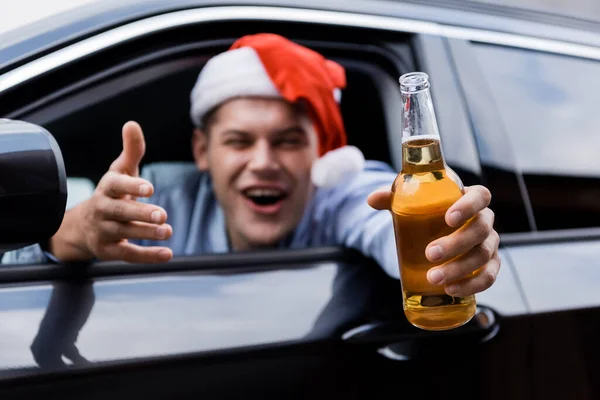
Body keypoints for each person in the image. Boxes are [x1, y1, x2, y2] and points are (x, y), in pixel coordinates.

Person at [4, 33, 500, 298]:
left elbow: (385, 220)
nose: (263, 163)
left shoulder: (342, 191)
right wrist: (74, 234)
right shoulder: (153, 199)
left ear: (319, 154)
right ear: (203, 151)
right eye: (239, 142)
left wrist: (445, 239)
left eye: (286, 141)